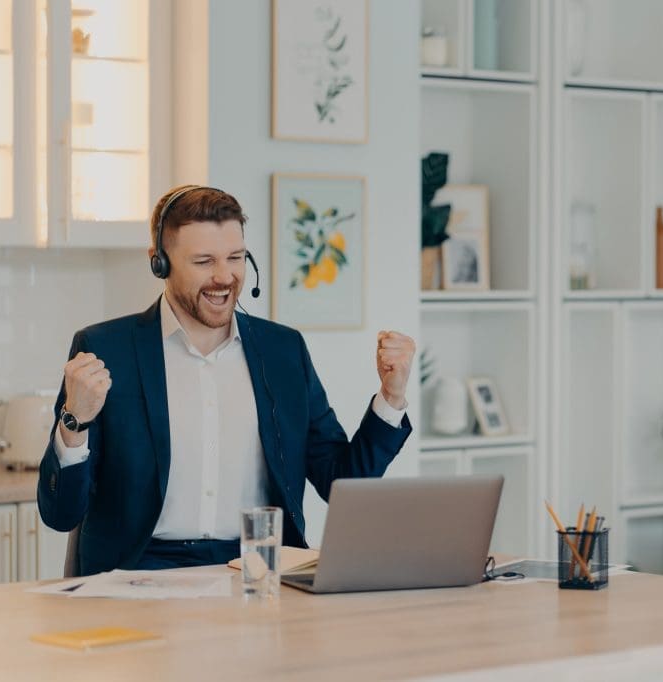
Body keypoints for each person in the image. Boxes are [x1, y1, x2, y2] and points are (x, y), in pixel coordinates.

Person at [37, 185, 415, 575]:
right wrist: (74, 422)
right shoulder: (105, 349)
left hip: (257, 572)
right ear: (159, 262)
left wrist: (391, 397)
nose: (224, 276)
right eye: (204, 261)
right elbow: (60, 514)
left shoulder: (283, 350)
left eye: (236, 258)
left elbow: (343, 482)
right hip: (138, 575)